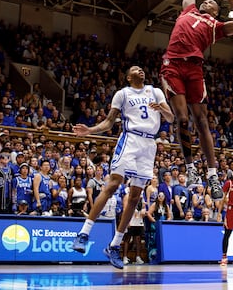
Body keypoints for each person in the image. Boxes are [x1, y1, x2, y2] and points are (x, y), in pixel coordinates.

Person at [71, 66, 173, 269]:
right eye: (136, 69)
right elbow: (109, 122)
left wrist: (161, 108)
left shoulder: (155, 91)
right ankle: (83, 233)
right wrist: (90, 130)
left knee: (135, 196)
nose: (141, 70)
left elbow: (170, 117)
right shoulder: (122, 94)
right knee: (113, 185)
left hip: (149, 145)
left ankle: (115, 246)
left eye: (142, 69)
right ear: (128, 77)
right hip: (130, 140)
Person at [160, 0, 233, 200]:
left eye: (211, 2)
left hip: (194, 69)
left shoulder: (215, 27)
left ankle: (212, 174)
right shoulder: (188, 10)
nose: (207, 1)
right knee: (181, 118)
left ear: (216, 12)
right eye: (206, 0)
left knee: (201, 121)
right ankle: (189, 167)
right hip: (173, 65)